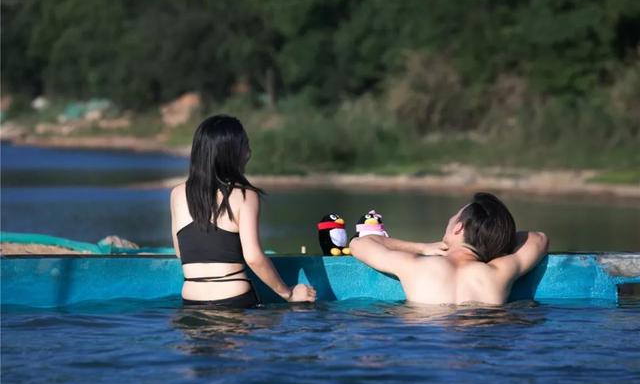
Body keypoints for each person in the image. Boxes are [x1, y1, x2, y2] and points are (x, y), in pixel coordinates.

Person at [170, 115, 316, 308]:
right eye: (245, 145)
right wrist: (288, 294)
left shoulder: (177, 194)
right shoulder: (244, 195)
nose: (249, 153)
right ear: (229, 153)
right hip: (234, 299)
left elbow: (181, 253)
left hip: (191, 301)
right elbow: (253, 257)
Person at [350, 192, 548, 305]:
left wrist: (422, 248)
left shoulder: (416, 265)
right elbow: (539, 238)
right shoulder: (499, 272)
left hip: (425, 343)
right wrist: (493, 243)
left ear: (458, 227)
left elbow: (359, 244)